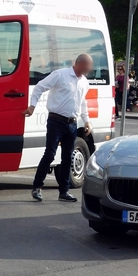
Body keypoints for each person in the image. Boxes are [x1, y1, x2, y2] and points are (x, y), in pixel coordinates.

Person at [23, 54, 94, 202]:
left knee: (67, 158)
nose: (90, 69)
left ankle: (64, 191)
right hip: (56, 121)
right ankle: (37, 187)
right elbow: (40, 87)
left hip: (72, 123)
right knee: (50, 154)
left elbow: (83, 103)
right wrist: (32, 106)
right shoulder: (60, 75)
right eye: (88, 66)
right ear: (80, 64)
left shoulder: (84, 82)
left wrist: (87, 121)